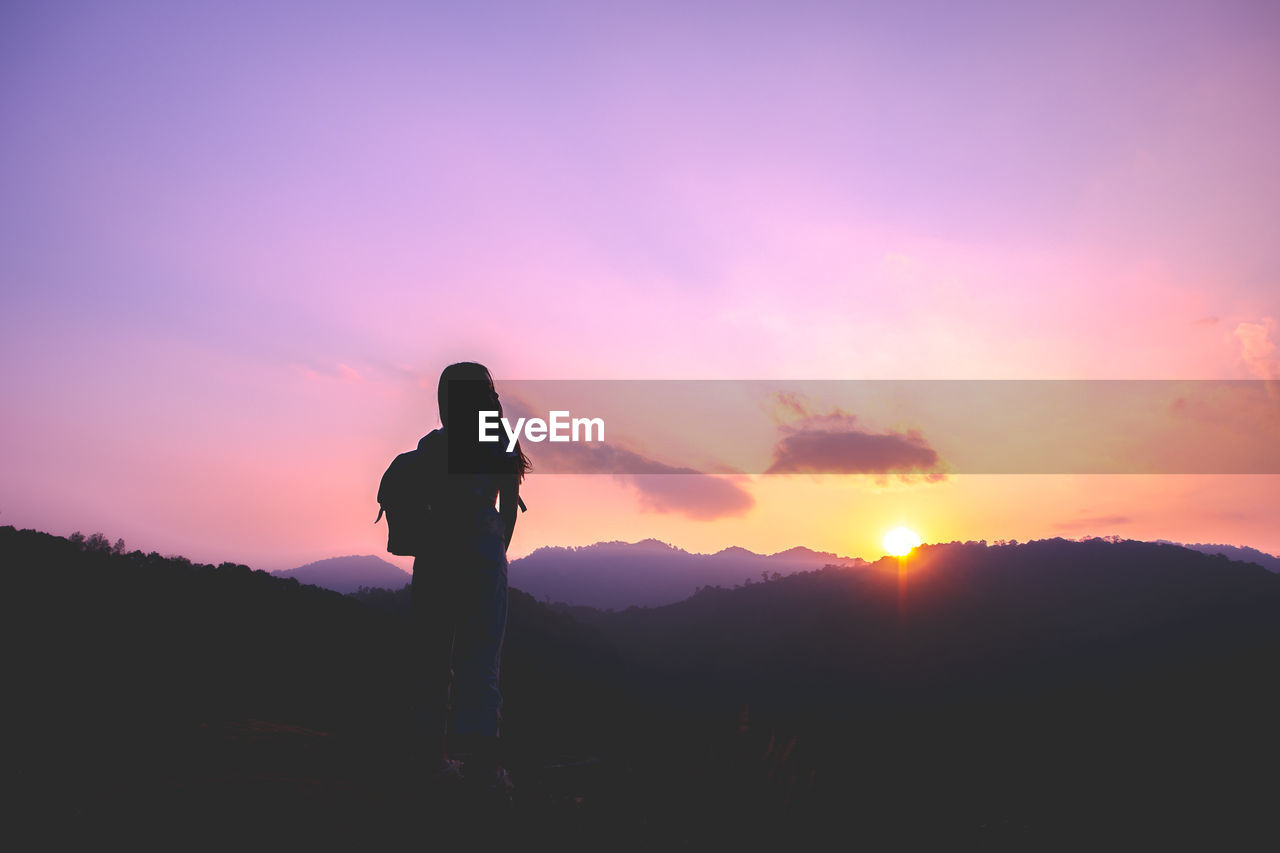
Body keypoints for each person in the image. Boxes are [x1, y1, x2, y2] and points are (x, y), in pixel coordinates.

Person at [410, 362, 530, 796]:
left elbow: (420, 503)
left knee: (432, 660)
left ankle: (430, 762)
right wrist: (498, 550)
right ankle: (484, 774)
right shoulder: (501, 441)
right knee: (481, 662)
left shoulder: (432, 445)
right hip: (482, 552)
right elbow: (510, 509)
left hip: (435, 553)